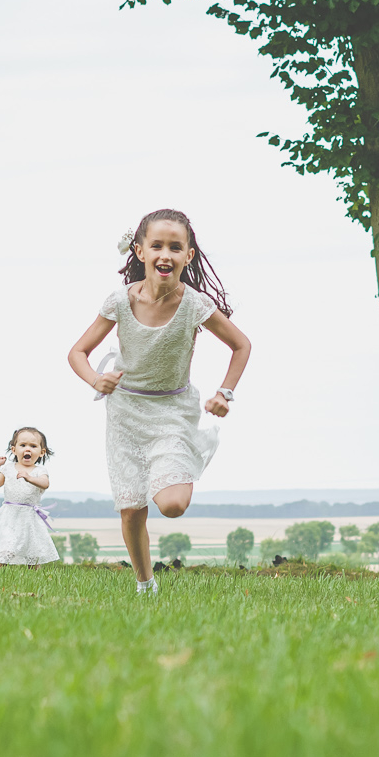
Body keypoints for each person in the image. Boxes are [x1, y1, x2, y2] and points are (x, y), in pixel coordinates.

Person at [66, 209, 252, 594]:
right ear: (139, 251)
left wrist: (225, 392)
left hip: (172, 411)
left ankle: (180, 457)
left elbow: (241, 344)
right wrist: (97, 379)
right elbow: (77, 353)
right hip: (125, 413)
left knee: (171, 504)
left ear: (189, 256)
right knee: (132, 509)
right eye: (157, 246)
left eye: (175, 247)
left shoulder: (195, 305)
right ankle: (145, 584)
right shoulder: (119, 301)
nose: (165, 254)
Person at [0, 427, 60, 565]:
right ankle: (1, 573)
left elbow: (45, 483)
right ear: (14, 450)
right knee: (5, 547)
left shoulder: (40, 471)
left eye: (33, 446)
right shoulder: (8, 468)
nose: (27, 449)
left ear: (41, 452)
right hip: (9, 516)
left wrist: (29, 478)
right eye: (23, 445)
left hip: (29, 517)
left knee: (33, 550)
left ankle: (33, 575)